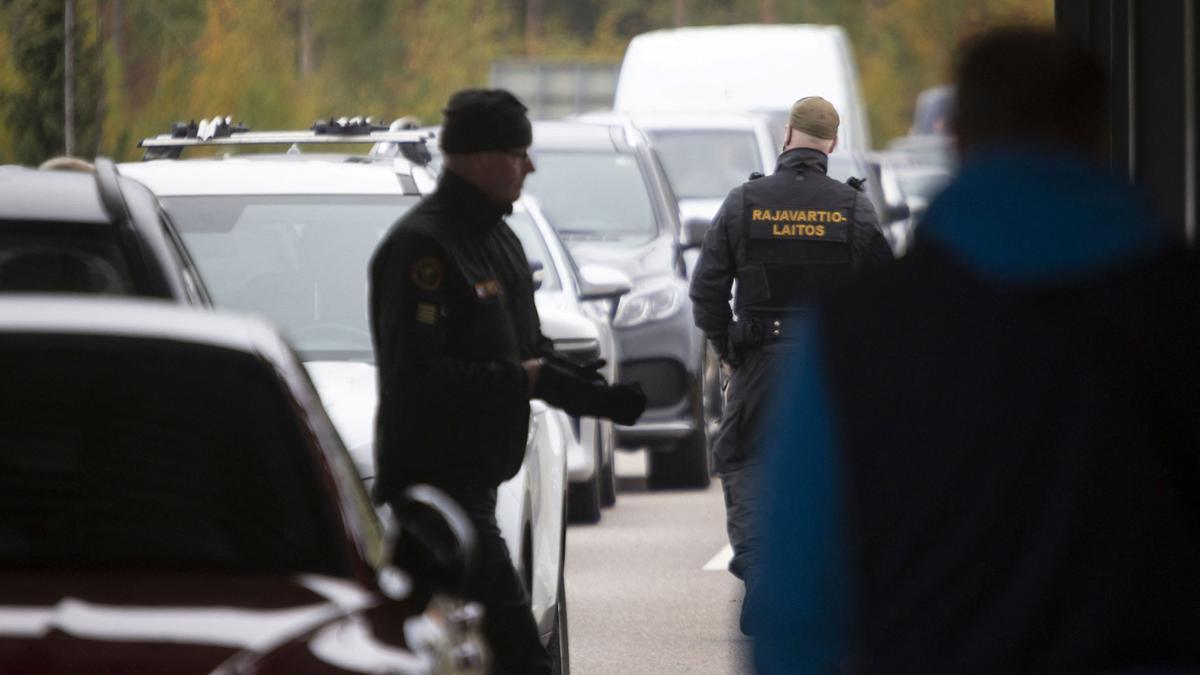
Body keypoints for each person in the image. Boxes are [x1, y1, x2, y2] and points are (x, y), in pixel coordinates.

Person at [749, 27, 1200, 673]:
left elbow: (797, 606)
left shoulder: (857, 332)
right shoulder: (1181, 308)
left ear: (957, 135)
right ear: (1100, 133)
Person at [368, 88, 647, 674]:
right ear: (474, 157)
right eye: (518, 153)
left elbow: (530, 354)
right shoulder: (424, 248)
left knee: (432, 656)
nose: (530, 166)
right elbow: (417, 377)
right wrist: (525, 376)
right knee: (519, 654)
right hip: (435, 494)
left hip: (481, 483)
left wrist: (593, 395)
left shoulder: (499, 240)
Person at [688, 95, 892, 634]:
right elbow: (889, 296)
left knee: (745, 463)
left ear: (787, 136)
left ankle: (760, 577)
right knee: (834, 470)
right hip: (829, 369)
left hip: (759, 364)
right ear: (833, 144)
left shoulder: (743, 203)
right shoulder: (853, 210)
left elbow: (706, 291)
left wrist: (730, 351)